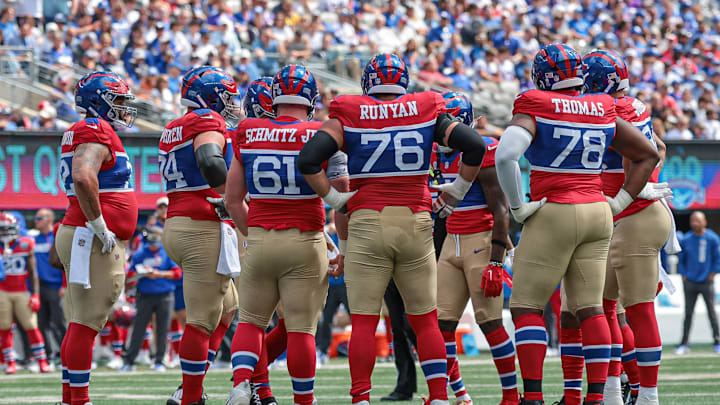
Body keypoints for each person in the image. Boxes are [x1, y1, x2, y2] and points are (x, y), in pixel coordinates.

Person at [298, 53, 488, 405]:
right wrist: (458, 191)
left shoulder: (349, 111)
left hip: (367, 222)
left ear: (369, 82)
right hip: (416, 222)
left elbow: (308, 159)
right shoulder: (426, 107)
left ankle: (360, 398)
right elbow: (475, 146)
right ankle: (439, 397)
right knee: (427, 321)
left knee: (366, 322)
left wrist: (337, 201)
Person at [494, 44, 660, 405]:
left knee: (526, 308)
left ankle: (534, 397)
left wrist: (519, 206)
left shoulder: (536, 102)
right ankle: (597, 398)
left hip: (555, 210)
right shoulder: (602, 105)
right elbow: (649, 152)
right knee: (592, 309)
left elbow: (505, 155)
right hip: (598, 212)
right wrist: (618, 201)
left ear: (542, 75)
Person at [224, 64, 349, 405]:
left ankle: (240, 385)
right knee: (301, 329)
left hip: (261, 238)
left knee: (250, 321)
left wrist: (258, 232)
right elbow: (341, 197)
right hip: (306, 240)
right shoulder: (322, 133)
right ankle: (303, 400)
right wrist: (344, 247)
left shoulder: (248, 130)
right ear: (309, 99)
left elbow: (232, 200)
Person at [584, 50, 672, 405]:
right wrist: (649, 178)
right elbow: (660, 147)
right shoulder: (634, 105)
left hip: (633, 215)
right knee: (603, 307)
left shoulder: (615, 110)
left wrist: (628, 190)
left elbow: (640, 154)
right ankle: (612, 392)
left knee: (635, 309)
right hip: (624, 215)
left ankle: (647, 396)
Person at [54, 71, 138, 405]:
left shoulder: (86, 130)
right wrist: (101, 225)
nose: (122, 108)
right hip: (90, 236)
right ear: (99, 102)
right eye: (117, 100)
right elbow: (83, 177)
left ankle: (69, 397)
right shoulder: (94, 128)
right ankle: (80, 399)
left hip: (81, 233)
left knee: (80, 321)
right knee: (87, 323)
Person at [160, 65, 241, 405]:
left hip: (183, 221)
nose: (233, 104)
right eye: (228, 96)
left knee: (227, 307)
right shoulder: (206, 121)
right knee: (202, 319)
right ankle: (190, 396)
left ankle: (188, 387)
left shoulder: (174, 126)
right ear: (209, 96)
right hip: (200, 225)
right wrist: (232, 198)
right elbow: (209, 160)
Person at [433, 92, 517, 405]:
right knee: (440, 325)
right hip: (450, 244)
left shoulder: (483, 150)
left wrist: (497, 260)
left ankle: (511, 395)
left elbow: (500, 210)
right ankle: (458, 394)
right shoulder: (433, 153)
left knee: (490, 322)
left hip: (480, 242)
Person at [119, 226, 181, 372]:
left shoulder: (167, 252)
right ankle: (129, 361)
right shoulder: (141, 252)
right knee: (138, 329)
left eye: (157, 236)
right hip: (145, 295)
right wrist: (141, 274)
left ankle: (159, 360)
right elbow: (131, 273)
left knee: (162, 329)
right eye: (152, 236)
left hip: (165, 294)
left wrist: (159, 274)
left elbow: (177, 273)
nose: (154, 240)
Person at [0, 212, 50, 375]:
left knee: (31, 326)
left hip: (22, 290)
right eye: (2, 230)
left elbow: (33, 272)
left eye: (8, 229)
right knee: (5, 328)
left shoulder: (25, 243)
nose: (5, 233)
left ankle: (42, 361)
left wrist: (35, 294)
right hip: (3, 291)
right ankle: (10, 363)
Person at [676, 211, 720, 355]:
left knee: (712, 312)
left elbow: (717, 257)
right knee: (688, 313)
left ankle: (717, 342)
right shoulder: (687, 239)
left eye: (698, 220)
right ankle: (684, 343)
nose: (695, 223)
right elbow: (681, 259)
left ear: (705, 222)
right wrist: (683, 274)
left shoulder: (712, 238)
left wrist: (713, 273)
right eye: (693, 220)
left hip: (707, 281)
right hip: (690, 281)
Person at [31, 208, 67, 363]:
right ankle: (49, 356)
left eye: (40, 218)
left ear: (49, 219)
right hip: (40, 288)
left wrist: (64, 285)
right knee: (42, 323)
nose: (36, 221)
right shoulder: (33, 239)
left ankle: (66, 355)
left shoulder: (57, 237)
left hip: (55, 286)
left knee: (58, 322)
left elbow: (65, 263)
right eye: (36, 218)